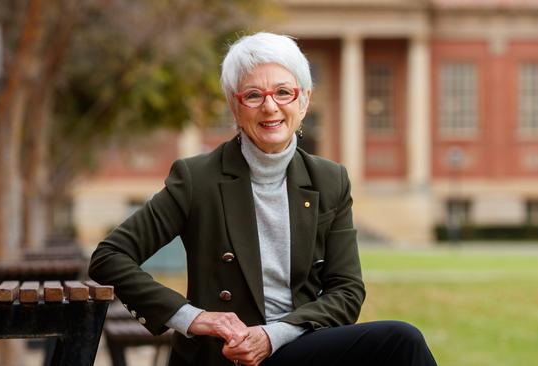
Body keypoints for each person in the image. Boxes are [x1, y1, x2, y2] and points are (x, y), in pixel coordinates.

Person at [89, 32, 438, 366]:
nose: (270, 107)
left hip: (295, 344)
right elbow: (109, 257)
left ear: (303, 101)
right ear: (235, 107)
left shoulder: (330, 180)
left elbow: (346, 290)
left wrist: (272, 336)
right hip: (224, 354)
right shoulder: (198, 179)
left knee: (401, 342)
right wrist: (193, 319)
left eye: (283, 92)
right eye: (253, 95)